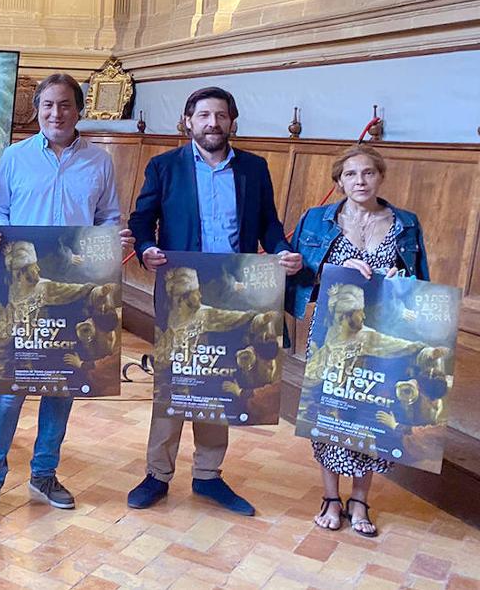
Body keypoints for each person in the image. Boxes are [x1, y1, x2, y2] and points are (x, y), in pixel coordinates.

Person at [126, 86, 302, 515]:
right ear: (188, 121)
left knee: (218, 379)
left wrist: (281, 250)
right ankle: (157, 473)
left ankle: (208, 475)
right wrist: (147, 248)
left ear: (232, 122)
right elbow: (142, 218)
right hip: (182, 288)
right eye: (203, 115)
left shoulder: (254, 169)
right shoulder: (164, 166)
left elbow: (269, 225)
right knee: (176, 379)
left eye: (221, 116)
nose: (212, 123)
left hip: (235, 291)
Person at [0, 73, 134, 522]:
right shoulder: (16, 157)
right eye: (47, 106)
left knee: (62, 385)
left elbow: (108, 217)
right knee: (10, 389)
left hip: (77, 289)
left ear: (77, 110)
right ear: (37, 110)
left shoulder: (99, 162)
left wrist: (113, 241)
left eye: (64, 105)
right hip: (24, 290)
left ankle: (44, 473)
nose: (55, 113)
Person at [288, 145, 434, 536]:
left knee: (372, 413)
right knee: (331, 412)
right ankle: (331, 497)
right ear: (338, 182)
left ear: (380, 177)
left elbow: (420, 284)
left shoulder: (406, 223)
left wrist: (404, 282)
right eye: (350, 175)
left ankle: (360, 500)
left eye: (368, 173)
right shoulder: (317, 220)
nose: (360, 181)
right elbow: (300, 275)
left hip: (384, 330)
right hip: (332, 333)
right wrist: (334, 269)